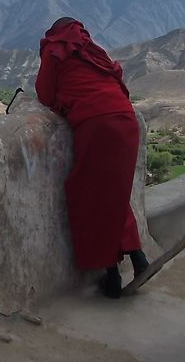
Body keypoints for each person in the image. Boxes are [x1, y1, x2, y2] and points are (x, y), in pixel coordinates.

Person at [35, 17, 149, 298]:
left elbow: (45, 93)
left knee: (89, 194)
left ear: (54, 33)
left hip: (97, 124)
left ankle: (109, 273)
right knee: (114, 193)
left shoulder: (55, 49)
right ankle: (137, 257)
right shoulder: (93, 49)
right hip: (125, 120)